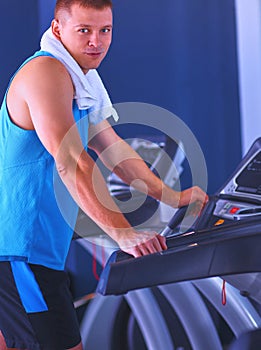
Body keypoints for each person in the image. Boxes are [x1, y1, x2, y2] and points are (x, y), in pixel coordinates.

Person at [0, 0, 208, 349]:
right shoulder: (47, 73)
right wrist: (123, 233)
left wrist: (172, 197)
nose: (96, 41)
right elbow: (72, 160)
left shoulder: (83, 81)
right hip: (18, 251)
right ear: (57, 29)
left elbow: (114, 152)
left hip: (29, 250)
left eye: (104, 30)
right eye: (84, 30)